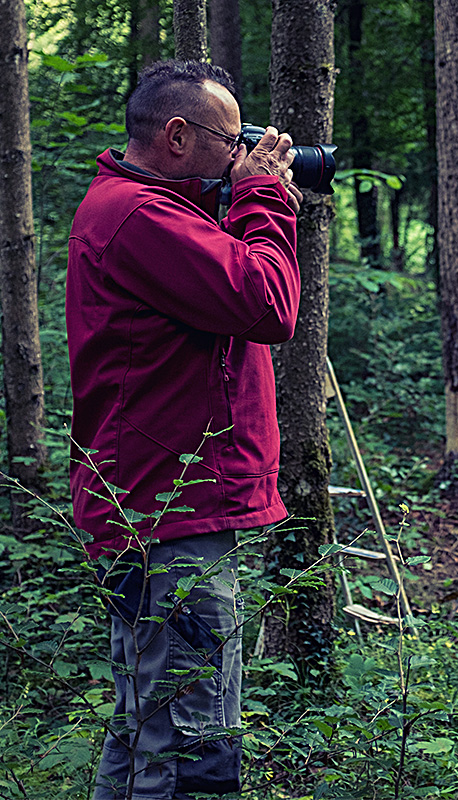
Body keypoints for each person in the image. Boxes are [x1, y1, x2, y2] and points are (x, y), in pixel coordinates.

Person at [67, 59, 302, 799]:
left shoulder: (146, 210)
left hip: (160, 504)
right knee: (192, 740)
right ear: (177, 134)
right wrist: (264, 194)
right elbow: (267, 302)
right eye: (232, 140)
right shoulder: (140, 215)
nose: (241, 154)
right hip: (169, 512)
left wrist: (241, 196)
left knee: (146, 728)